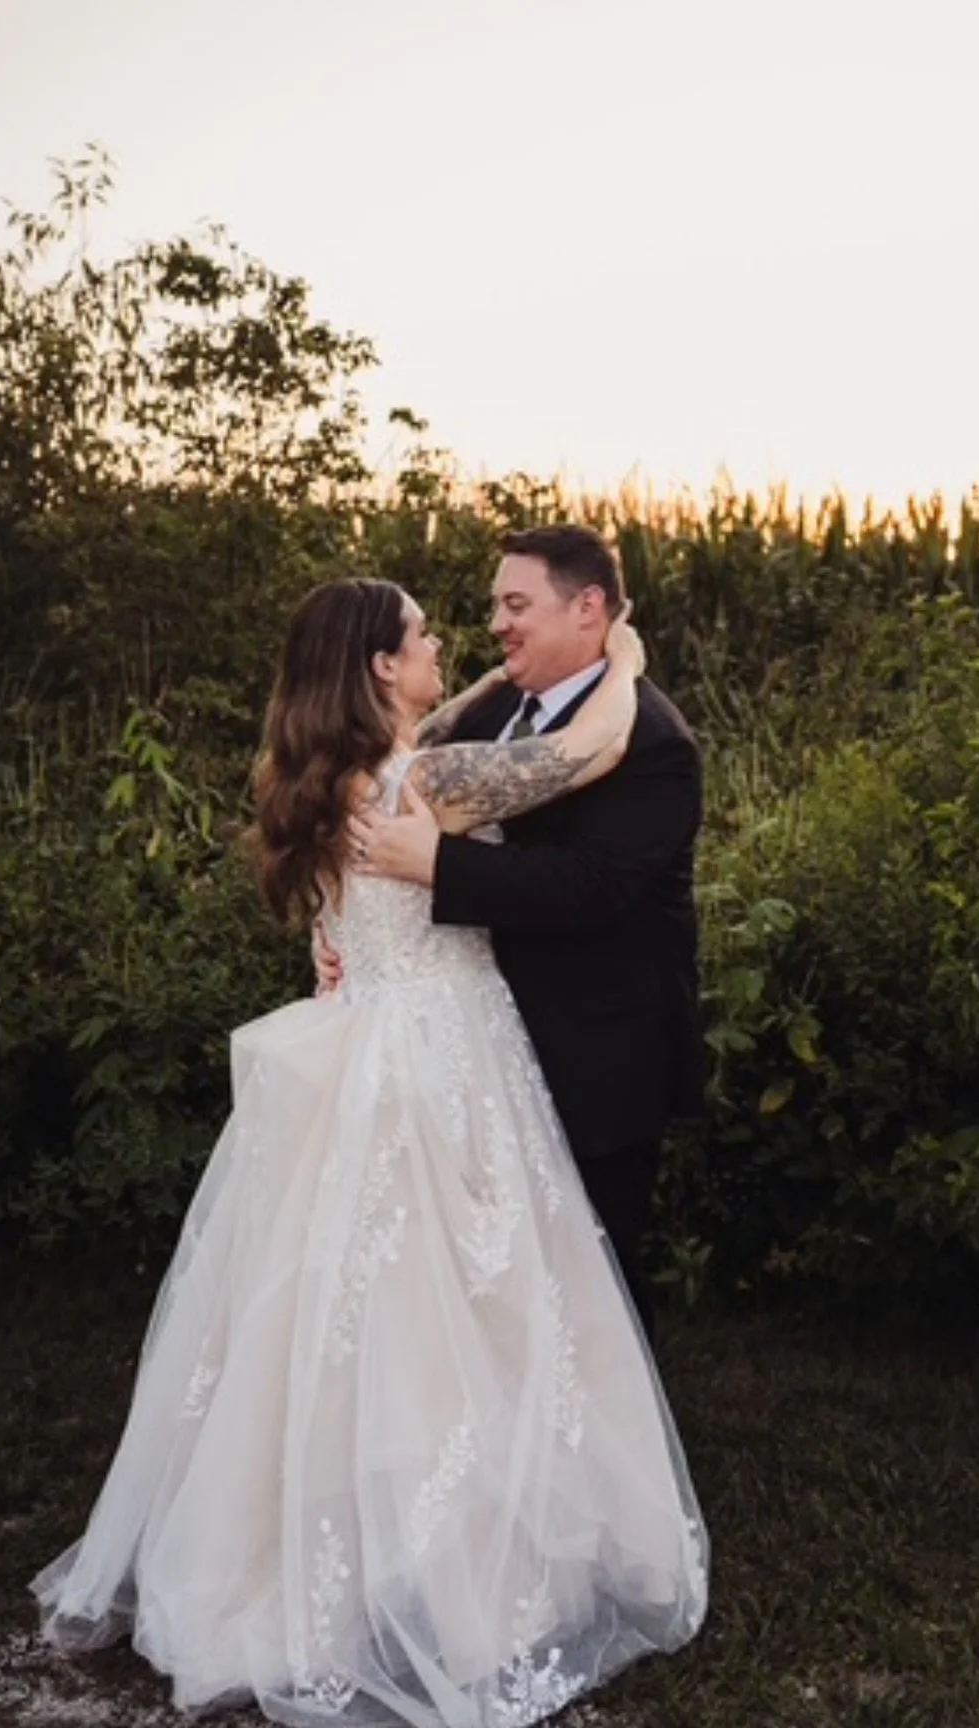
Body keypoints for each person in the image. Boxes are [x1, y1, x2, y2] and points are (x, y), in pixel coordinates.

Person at [32, 577, 707, 1728]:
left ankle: (332, 1543)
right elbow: (586, 751)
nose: (447, 641)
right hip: (441, 1052)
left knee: (352, 1306)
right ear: (384, 668)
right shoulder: (425, 783)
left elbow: (354, 904)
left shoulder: (325, 781)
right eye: (424, 634)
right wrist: (627, 660)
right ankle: (453, 1574)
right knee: (453, 1303)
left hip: (368, 1037)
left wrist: (497, 675)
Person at [319, 525, 706, 1342]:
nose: (496, 623)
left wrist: (438, 866)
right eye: (498, 605)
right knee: (476, 1284)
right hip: (464, 1049)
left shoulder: (656, 743)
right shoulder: (490, 712)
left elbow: (593, 886)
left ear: (588, 608)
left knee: (593, 1286)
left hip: (594, 1052)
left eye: (516, 605)